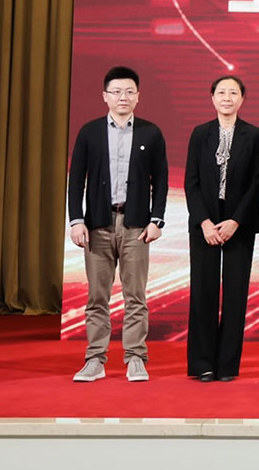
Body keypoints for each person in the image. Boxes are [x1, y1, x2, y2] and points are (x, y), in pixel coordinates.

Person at [69, 66, 167, 382]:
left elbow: (161, 179)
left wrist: (156, 219)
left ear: (138, 96)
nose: (122, 97)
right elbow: (76, 179)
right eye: (116, 91)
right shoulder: (90, 132)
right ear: (105, 96)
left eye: (129, 91)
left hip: (136, 225)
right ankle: (95, 359)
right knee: (97, 297)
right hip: (97, 224)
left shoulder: (151, 132)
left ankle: (135, 357)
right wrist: (76, 220)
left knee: (135, 295)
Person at [184, 75, 259, 382]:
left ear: (242, 99)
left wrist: (236, 221)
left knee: (235, 294)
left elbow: (257, 182)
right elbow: (191, 182)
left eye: (233, 93)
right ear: (213, 98)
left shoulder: (253, 134)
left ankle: (228, 365)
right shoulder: (200, 133)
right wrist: (204, 221)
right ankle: (202, 364)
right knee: (203, 291)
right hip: (204, 223)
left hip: (238, 223)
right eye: (221, 92)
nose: (227, 98)